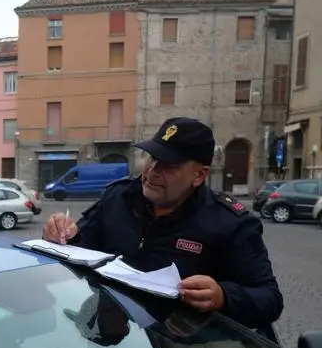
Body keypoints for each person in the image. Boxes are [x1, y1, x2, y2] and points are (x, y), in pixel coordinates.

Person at [42, 117, 283, 336]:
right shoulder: (119, 198)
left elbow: (269, 299)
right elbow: (83, 248)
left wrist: (222, 297)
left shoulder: (230, 222)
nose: (153, 171)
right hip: (119, 339)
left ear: (199, 175)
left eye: (169, 165)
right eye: (152, 157)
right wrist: (65, 236)